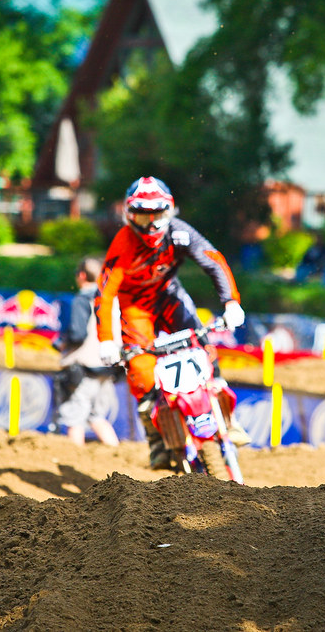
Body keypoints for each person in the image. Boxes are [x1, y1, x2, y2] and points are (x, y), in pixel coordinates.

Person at [94, 176, 249, 469]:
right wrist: (106, 340)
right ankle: (156, 440)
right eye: (144, 216)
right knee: (141, 371)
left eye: (158, 214)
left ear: (170, 210)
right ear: (129, 215)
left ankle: (229, 420)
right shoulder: (123, 243)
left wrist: (231, 302)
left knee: (204, 346)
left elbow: (213, 260)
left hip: (168, 295)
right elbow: (104, 294)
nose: (152, 224)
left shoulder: (179, 232)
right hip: (135, 306)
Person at [53, 256, 120, 447]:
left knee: (74, 417)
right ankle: (116, 454)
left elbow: (78, 334)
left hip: (84, 367)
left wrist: (62, 344)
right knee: (97, 416)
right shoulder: (112, 299)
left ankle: (74, 458)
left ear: (82, 275)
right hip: (109, 367)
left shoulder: (82, 299)